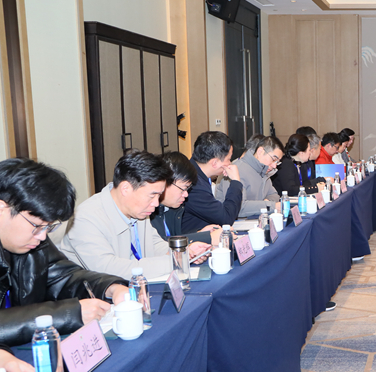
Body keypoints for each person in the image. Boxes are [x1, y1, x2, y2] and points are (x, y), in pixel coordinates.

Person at [0, 158, 130, 351]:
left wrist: (110, 287)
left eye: (49, 227)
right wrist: (68, 314)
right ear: (2, 208)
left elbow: (65, 276)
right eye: (37, 226)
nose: (42, 236)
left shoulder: (32, 241)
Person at [60, 150, 210, 280]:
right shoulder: (86, 218)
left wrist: (184, 252)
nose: (156, 203)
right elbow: (110, 270)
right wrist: (174, 261)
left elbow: (155, 244)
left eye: (159, 196)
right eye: (152, 196)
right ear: (125, 188)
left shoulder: (138, 210)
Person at [150, 152, 222, 245]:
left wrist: (199, 233)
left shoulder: (172, 209)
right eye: (183, 189)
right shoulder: (148, 210)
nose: (186, 194)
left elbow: (174, 238)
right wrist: (207, 237)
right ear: (165, 183)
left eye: (187, 189)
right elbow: (160, 245)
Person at [182, 131, 243, 232]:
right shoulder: (194, 185)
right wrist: (236, 181)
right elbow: (226, 218)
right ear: (214, 163)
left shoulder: (194, 171)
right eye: (228, 159)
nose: (230, 163)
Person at [216, 135, 283, 217]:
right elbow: (239, 207)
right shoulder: (236, 170)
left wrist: (266, 202)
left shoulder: (263, 171)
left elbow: (274, 195)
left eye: (277, 162)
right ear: (260, 152)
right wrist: (270, 206)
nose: (274, 166)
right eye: (273, 159)